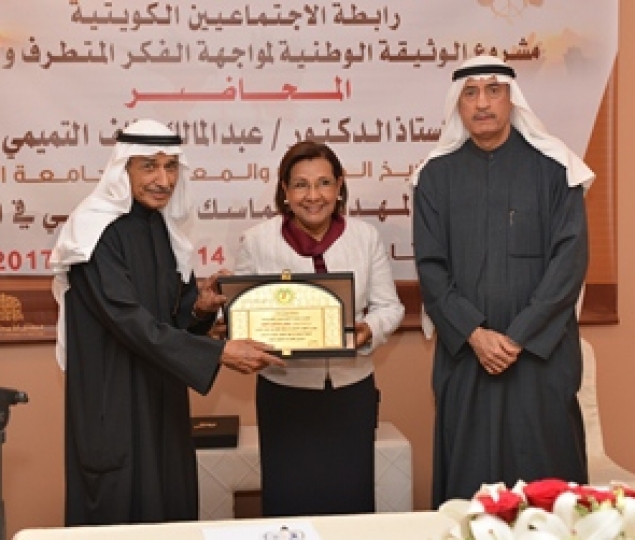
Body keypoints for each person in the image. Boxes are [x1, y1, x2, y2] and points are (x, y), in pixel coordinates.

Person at [50, 119, 284, 526]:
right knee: (120, 515)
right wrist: (219, 352)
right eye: (149, 166)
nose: (164, 180)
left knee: (170, 509)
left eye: (171, 166)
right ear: (122, 169)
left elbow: (172, 319)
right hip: (115, 403)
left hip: (163, 402)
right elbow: (128, 320)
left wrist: (201, 309)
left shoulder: (160, 226)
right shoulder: (94, 233)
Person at [412, 55, 595, 508]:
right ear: (457, 105)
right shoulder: (435, 177)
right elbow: (431, 268)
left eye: (493, 90)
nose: (482, 103)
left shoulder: (555, 169)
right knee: (470, 490)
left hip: (540, 358)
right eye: (470, 93)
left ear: (513, 99)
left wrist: (518, 336)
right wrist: (475, 335)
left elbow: (569, 263)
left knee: (548, 491)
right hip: (467, 359)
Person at [233, 140, 404, 516]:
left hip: (351, 393)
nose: (313, 196)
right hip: (284, 395)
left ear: (340, 185)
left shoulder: (364, 237)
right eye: (301, 185)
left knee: (350, 503)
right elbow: (241, 314)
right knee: (288, 503)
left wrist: (367, 330)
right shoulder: (257, 241)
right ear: (284, 190)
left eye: (324, 183)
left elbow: (390, 307)